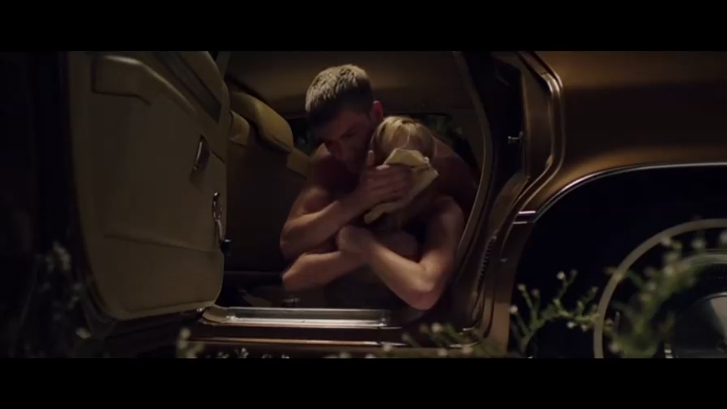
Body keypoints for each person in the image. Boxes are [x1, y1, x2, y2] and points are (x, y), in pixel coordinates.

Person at [279, 64, 477, 262]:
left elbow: (480, 222)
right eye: (330, 143)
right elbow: (289, 243)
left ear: (376, 113)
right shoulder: (328, 162)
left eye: (350, 135)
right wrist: (360, 199)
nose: (342, 154)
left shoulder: (434, 157)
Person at [282, 116, 465, 311]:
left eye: (412, 165)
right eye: (389, 163)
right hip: (345, 319)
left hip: (408, 325)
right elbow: (294, 278)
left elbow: (425, 291)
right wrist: (360, 249)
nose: (399, 177)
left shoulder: (442, 212)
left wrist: (368, 247)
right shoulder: (356, 207)